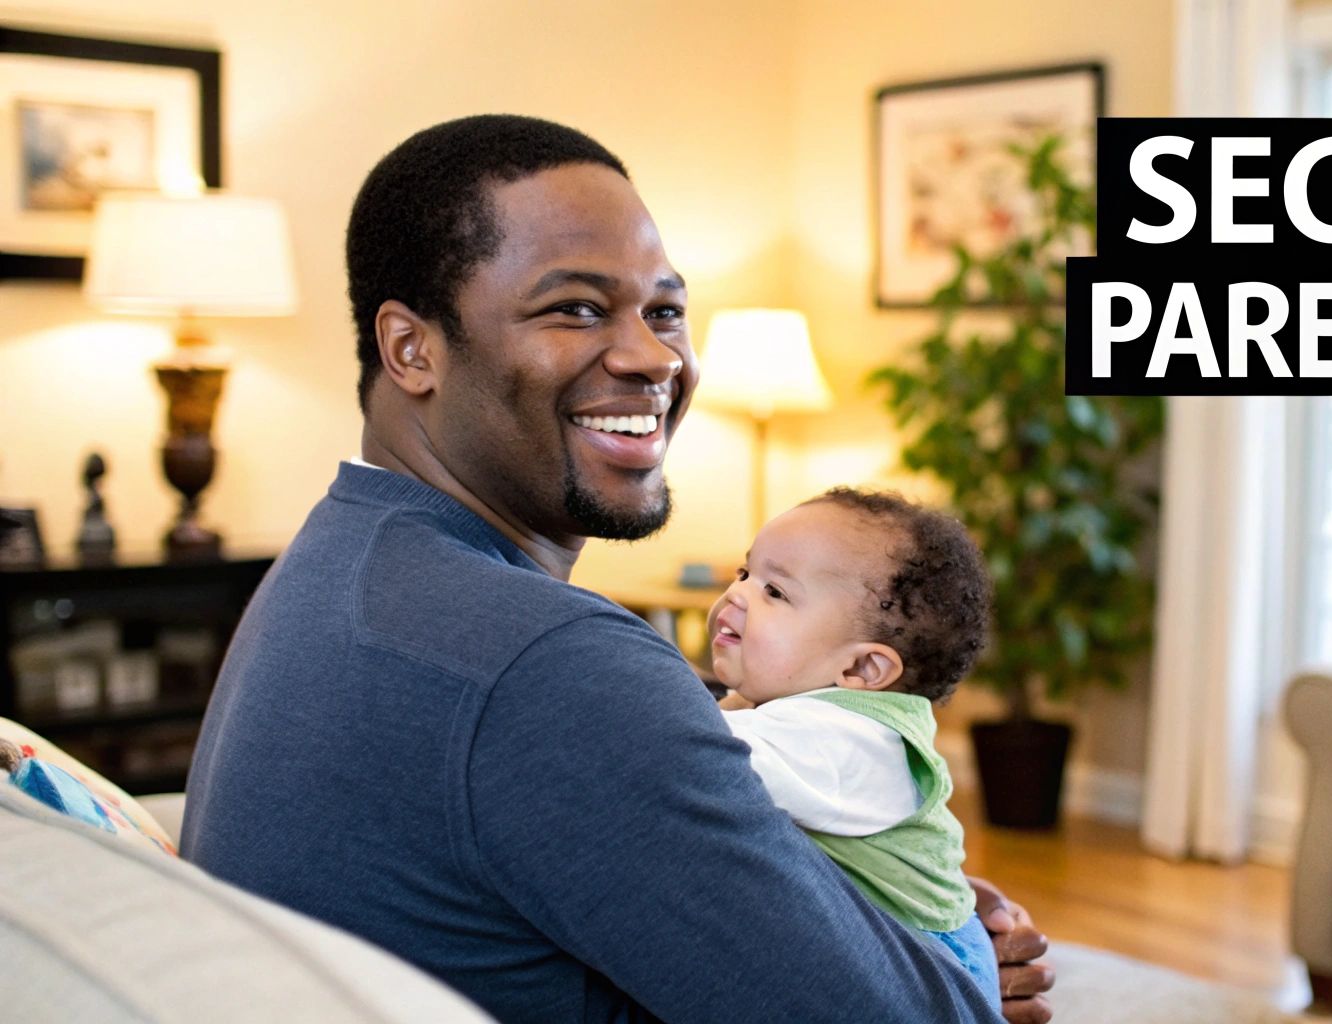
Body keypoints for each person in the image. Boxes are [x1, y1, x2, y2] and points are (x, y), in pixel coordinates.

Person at [181, 113, 1054, 1024]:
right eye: (576, 309)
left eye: (666, 310)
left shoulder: (342, 556)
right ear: (413, 350)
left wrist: (885, 911)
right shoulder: (547, 663)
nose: (652, 358)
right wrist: (955, 968)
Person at [711, 487, 997, 1005]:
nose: (738, 595)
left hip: (927, 963)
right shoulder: (819, 717)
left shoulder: (846, 738)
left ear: (862, 669)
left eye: (775, 592)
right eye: (745, 573)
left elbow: (693, 756)